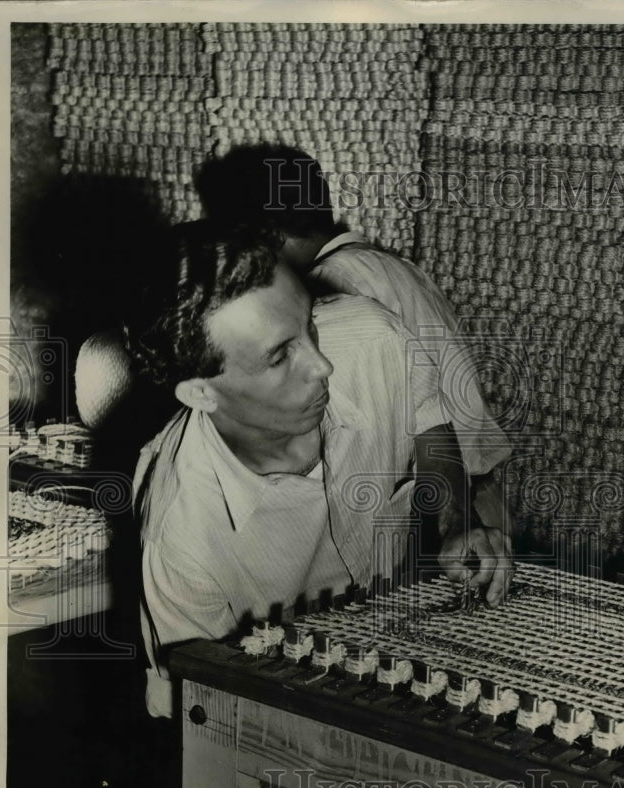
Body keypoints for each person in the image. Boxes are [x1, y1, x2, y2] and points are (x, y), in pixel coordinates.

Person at [128, 222, 513, 719]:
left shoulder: (374, 339)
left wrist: (456, 524)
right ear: (201, 392)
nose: (322, 364)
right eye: (280, 357)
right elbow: (201, 718)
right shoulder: (180, 542)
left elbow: (432, 435)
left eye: (308, 325)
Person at [195, 144, 512, 531]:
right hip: (474, 498)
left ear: (265, 235)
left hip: (438, 510)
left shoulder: (335, 284)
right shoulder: (391, 266)